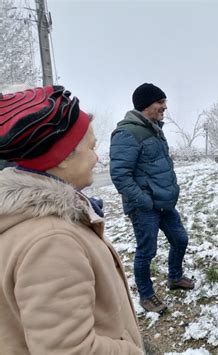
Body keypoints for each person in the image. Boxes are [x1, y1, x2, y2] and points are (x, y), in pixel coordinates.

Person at [0, 86, 143, 354]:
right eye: (91, 147)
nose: (97, 158)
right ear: (63, 157)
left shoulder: (33, 221)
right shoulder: (52, 242)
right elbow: (70, 349)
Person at [109, 83, 194, 314]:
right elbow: (120, 175)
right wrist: (143, 200)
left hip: (164, 202)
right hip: (145, 206)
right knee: (146, 251)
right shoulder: (127, 133)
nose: (165, 107)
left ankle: (175, 278)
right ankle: (146, 295)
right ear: (147, 105)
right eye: (160, 102)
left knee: (180, 239)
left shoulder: (154, 128)